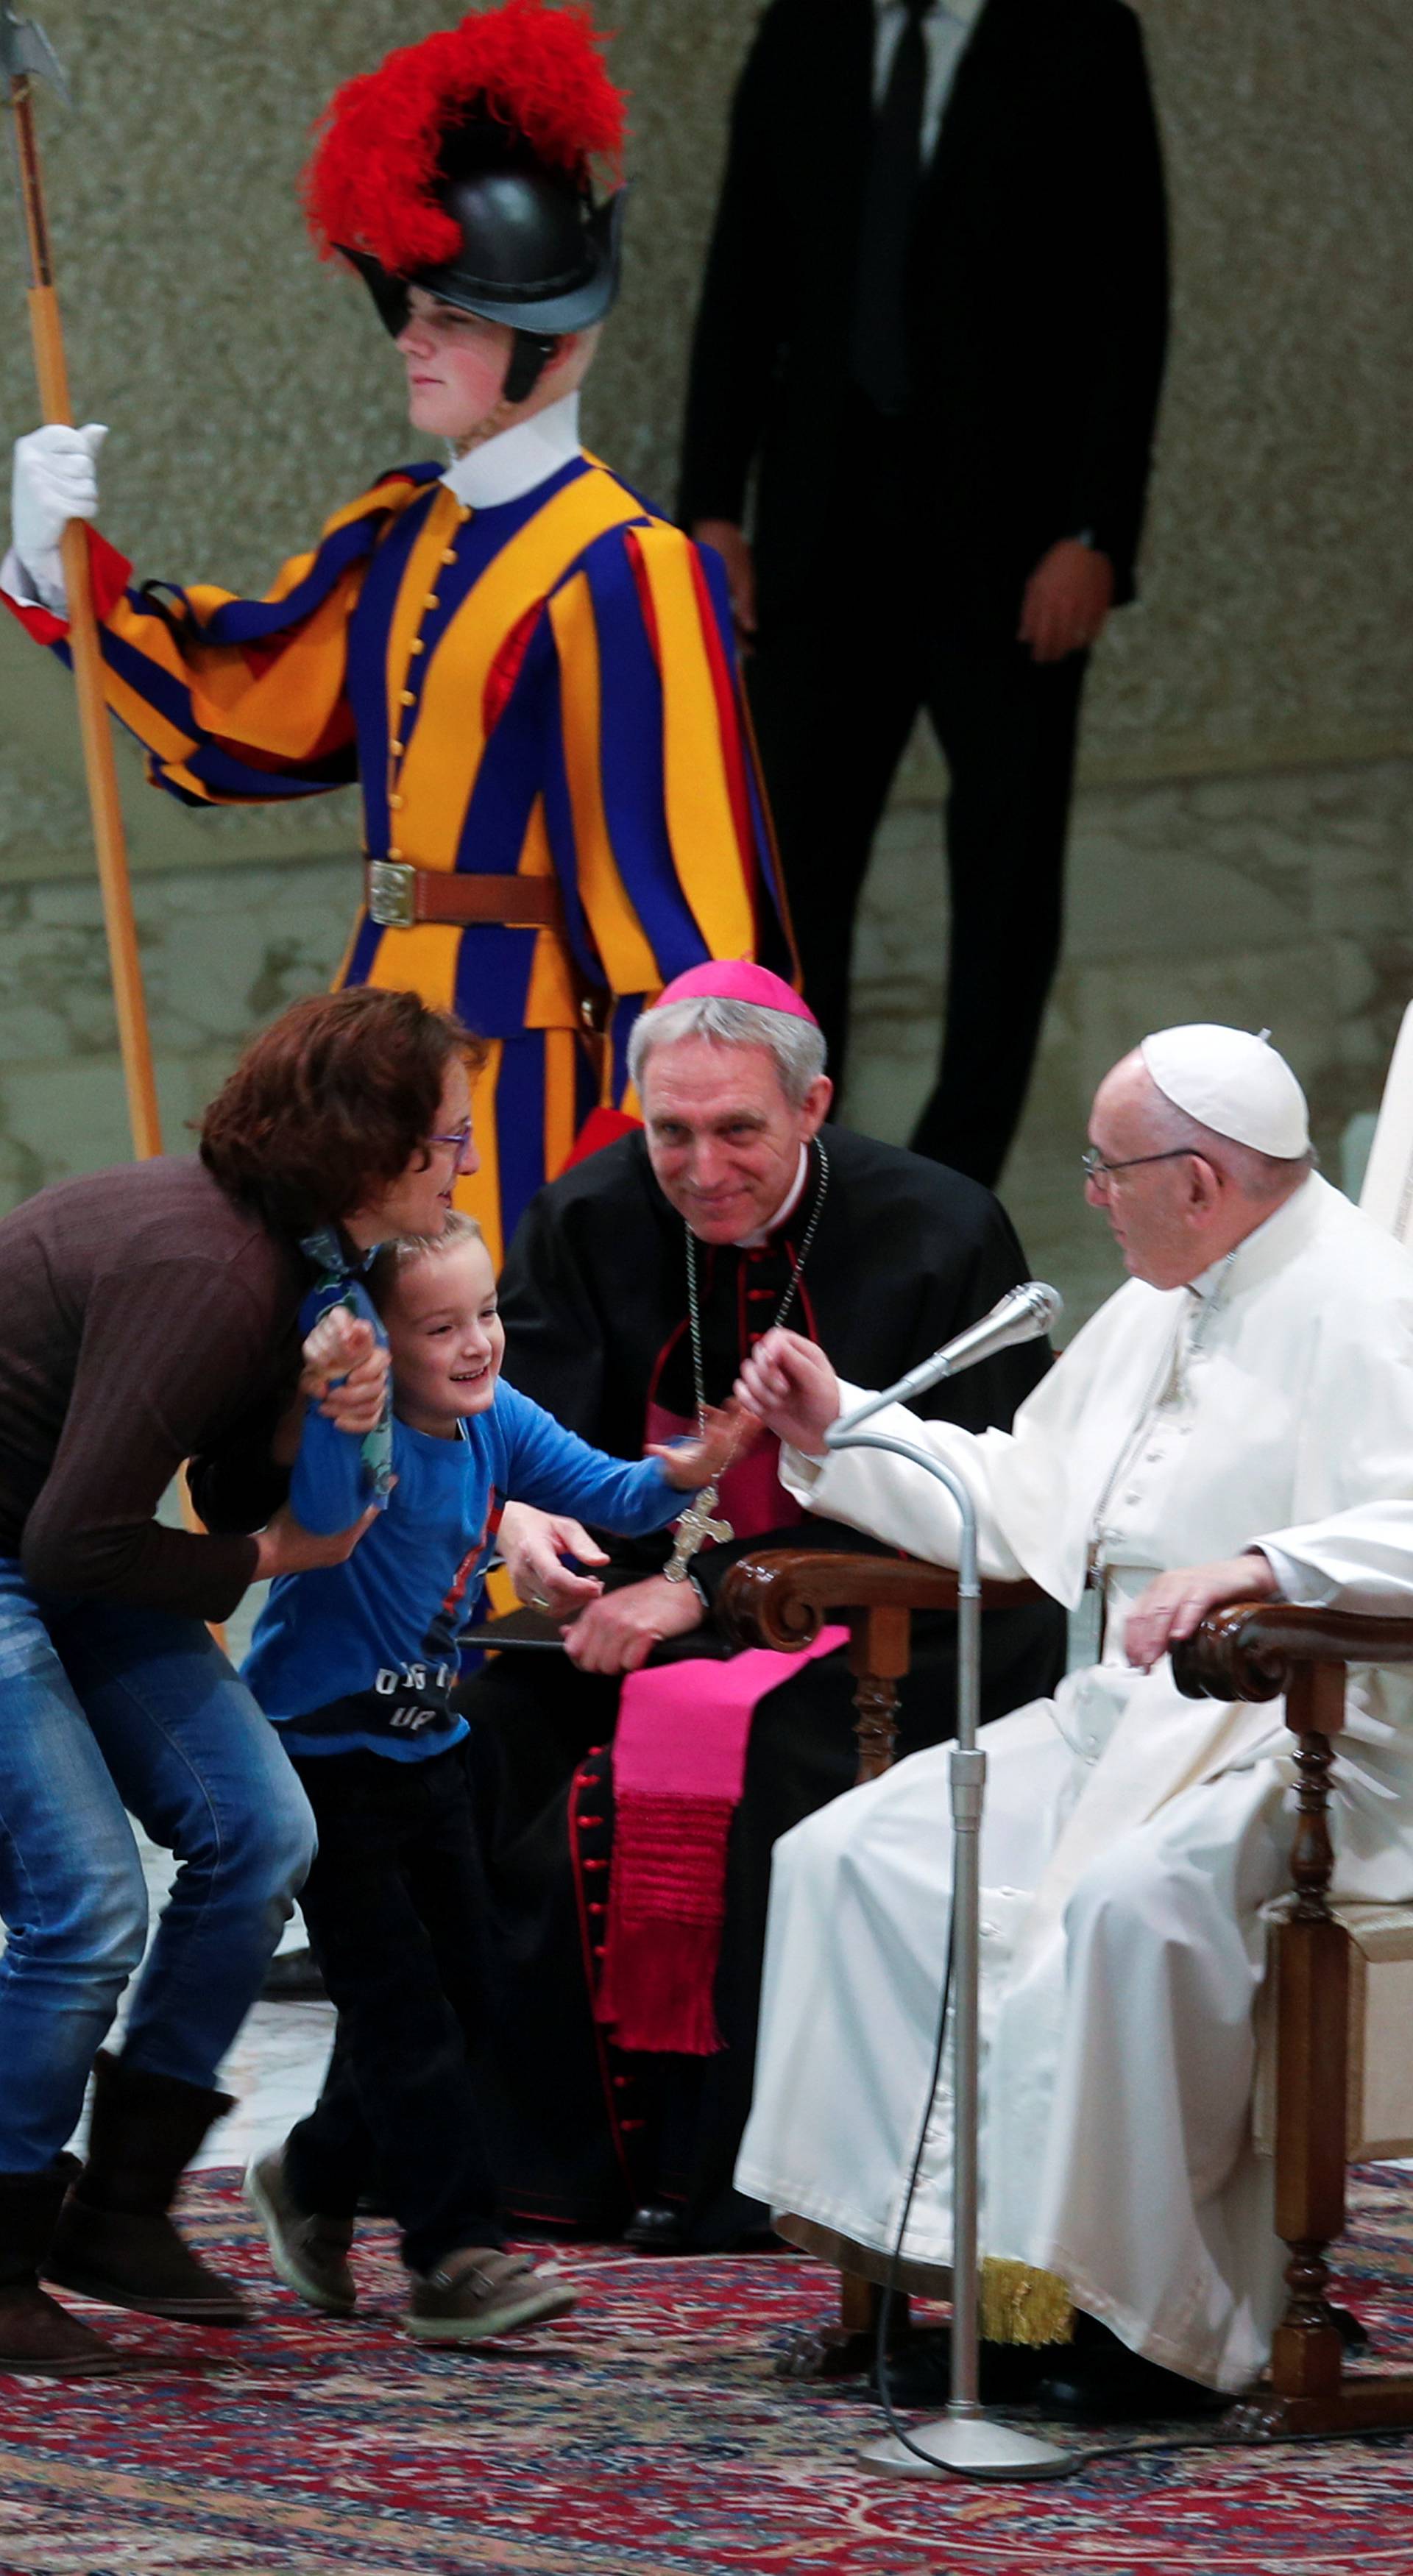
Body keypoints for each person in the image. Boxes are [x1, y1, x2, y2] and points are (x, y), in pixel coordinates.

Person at [2, 0, 791, 1268]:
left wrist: (654, 1141)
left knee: (498, 1400)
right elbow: (245, 719)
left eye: (461, 316)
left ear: (556, 337)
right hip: (378, 1039)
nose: (416, 336)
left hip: (525, 1068)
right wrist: (62, 572)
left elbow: (685, 911)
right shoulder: (403, 526)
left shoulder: (629, 569)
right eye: (413, 303)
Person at [734, 1024, 1413, 2413]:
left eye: (1110, 1171)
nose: (1091, 1195)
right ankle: (962, 2289)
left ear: (1204, 1181)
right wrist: (844, 1423)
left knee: (1121, 1912)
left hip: (1310, 1748)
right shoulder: (1169, 1297)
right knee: (854, 1858)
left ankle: (1131, 2328)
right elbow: (1026, 1497)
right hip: (1122, 1727)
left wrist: (1268, 1566)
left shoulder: (1364, 1301)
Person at [456, 959, 1065, 2250]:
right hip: (642, 1600)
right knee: (471, 1736)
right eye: (670, 1131)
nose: (702, 1167)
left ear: (812, 1107)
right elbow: (517, 1428)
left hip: (894, 1614)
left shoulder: (939, 1226)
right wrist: (520, 1515)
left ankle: (739, 2177)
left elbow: (1002, 1505)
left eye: (740, 1129)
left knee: (766, 1766)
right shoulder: (591, 1212)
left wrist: (716, 1600)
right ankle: (502, 2173)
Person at [0, 983, 483, 2379]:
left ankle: (123, 2208)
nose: (460, 1161)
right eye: (445, 1138)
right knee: (83, 1905)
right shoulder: (212, 1263)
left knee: (264, 1828)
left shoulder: (300, 1255)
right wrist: (276, 1548)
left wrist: (303, 1419)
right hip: (35, 1551)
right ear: (371, 1147)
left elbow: (197, 1477)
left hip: (58, 1551)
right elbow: (76, 1534)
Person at [678, 0, 1169, 1186]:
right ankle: (801, 1166)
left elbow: (1128, 291)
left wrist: (1095, 533)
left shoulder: (1082, 35)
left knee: (1005, 877)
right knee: (793, 882)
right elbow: (741, 273)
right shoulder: (807, 32)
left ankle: (958, 1184)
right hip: (819, 546)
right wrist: (712, 511)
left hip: (1016, 554)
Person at [238, 1212, 740, 2344]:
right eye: (439, 1328)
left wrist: (692, 1472)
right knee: (406, 2012)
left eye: (488, 1314)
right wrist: (341, 1395)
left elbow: (614, 1494)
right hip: (324, 1755)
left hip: (426, 1746)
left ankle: (310, 2177)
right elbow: (323, 1511)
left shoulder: (495, 1421)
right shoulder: (354, 1441)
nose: (478, 1345)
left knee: (469, 1995)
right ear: (375, 1340)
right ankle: (454, 2257)